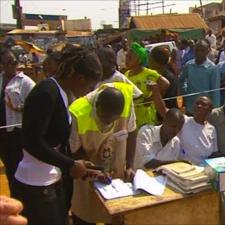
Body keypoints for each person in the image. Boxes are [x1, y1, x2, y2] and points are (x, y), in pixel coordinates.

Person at [13, 46, 103, 225]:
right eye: (90, 86)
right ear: (79, 78)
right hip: (36, 184)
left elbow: (54, 142)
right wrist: (70, 164)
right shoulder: (46, 93)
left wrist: (77, 163)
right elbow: (32, 141)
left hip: (50, 180)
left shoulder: (61, 93)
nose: (89, 91)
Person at [69, 84, 139, 225]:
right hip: (86, 174)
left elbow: (131, 133)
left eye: (114, 119)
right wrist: (95, 171)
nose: (110, 123)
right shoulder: (78, 112)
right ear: (98, 106)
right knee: (85, 213)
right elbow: (74, 151)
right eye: (106, 118)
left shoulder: (125, 98)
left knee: (116, 215)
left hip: (115, 177)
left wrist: (130, 165)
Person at [0, 50, 35, 197]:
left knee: (18, 167)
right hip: (2, 132)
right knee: (9, 167)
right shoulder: (0, 79)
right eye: (8, 63)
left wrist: (19, 108)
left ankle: (23, 199)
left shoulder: (25, 82)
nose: (13, 65)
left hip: (16, 133)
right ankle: (15, 195)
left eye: (14, 62)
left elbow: (35, 106)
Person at [125, 42, 170, 128]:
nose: (127, 59)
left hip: (146, 118)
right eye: (127, 56)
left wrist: (151, 98)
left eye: (130, 57)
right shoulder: (127, 74)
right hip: (132, 117)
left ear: (139, 59)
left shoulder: (148, 74)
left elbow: (166, 84)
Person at [179, 39, 220, 115]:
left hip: (204, 109)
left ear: (207, 51)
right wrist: (184, 91)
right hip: (190, 107)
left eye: (202, 50)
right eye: (197, 50)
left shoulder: (212, 68)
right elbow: (181, 80)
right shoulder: (189, 65)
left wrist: (215, 112)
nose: (199, 53)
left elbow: (215, 91)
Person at [180, 96, 218, 165]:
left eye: (203, 104)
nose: (199, 106)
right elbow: (164, 111)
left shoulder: (212, 129)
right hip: (184, 167)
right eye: (197, 103)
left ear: (209, 110)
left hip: (204, 169)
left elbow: (214, 153)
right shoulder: (183, 121)